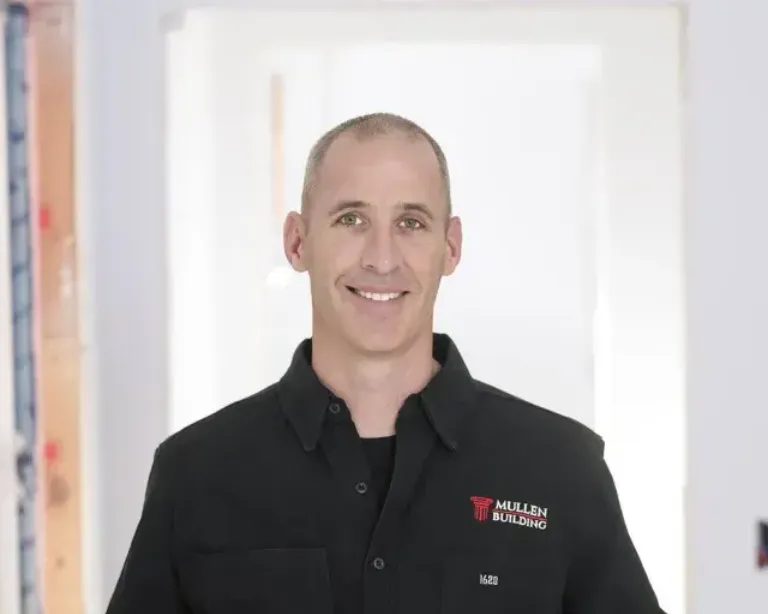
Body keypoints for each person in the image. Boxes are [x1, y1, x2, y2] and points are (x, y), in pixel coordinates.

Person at [105, 112, 666, 613]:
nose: (381, 258)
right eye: (351, 219)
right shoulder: (197, 475)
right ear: (298, 242)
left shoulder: (561, 470)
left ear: (451, 247)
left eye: (411, 223)